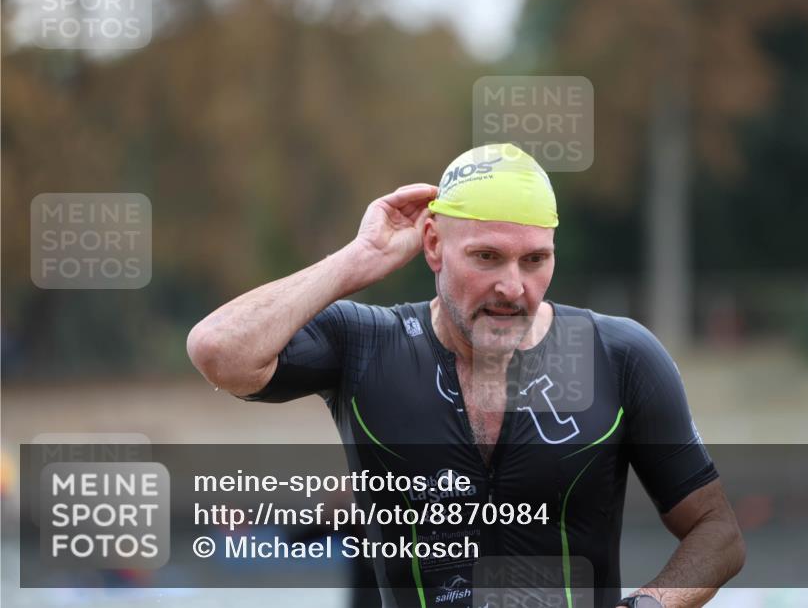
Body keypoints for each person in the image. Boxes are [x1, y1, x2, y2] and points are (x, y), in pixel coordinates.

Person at [187, 143, 745, 608]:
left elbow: (717, 533)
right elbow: (220, 352)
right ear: (433, 244)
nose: (513, 286)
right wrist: (356, 260)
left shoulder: (617, 355)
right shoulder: (366, 344)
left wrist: (649, 605)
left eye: (534, 260)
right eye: (486, 257)